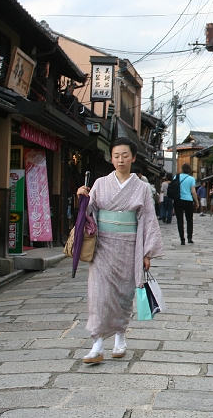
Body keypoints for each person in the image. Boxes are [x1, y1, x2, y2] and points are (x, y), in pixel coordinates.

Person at [76, 137, 164, 364]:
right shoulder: (100, 183)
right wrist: (83, 198)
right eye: (116, 156)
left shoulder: (142, 188)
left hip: (128, 245)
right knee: (98, 295)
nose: (120, 160)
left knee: (123, 295)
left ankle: (120, 337)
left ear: (133, 158)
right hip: (103, 245)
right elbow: (88, 212)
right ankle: (96, 345)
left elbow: (148, 219)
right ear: (111, 158)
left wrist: (146, 253)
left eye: (125, 155)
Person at [173, 163, 199, 245]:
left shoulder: (176, 177)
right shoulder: (191, 179)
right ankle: (189, 238)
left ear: (182, 169)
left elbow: (174, 189)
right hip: (188, 200)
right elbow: (193, 191)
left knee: (179, 220)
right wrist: (197, 202)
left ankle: (182, 239)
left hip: (178, 200)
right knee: (189, 220)